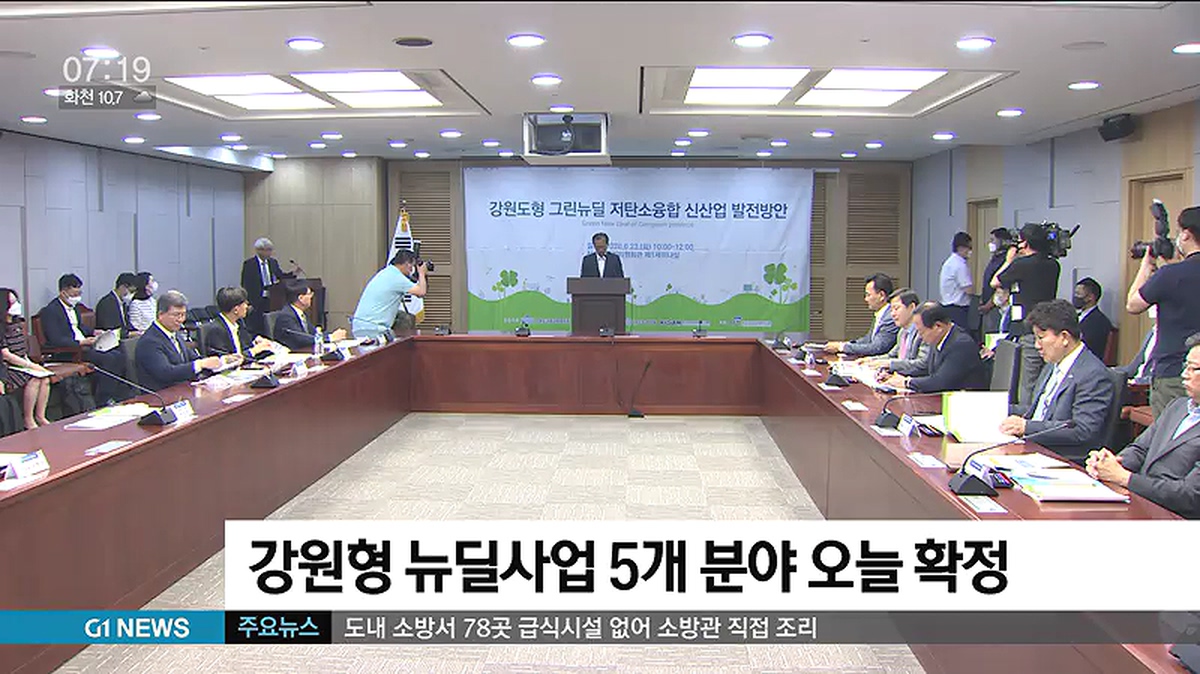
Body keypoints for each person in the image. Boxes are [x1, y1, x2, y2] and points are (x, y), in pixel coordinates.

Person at [1088, 332, 1200, 519]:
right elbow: (1140, 449)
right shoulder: (1177, 406)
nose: (1184, 375)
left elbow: (1190, 496)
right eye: (1185, 366)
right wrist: (1112, 463)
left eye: (1193, 368)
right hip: (1142, 500)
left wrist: (1125, 478)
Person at [997, 300, 1115, 464]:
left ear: (1064, 337)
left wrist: (1027, 427)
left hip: (1059, 457)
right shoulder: (1052, 365)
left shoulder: (1093, 374)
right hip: (1031, 447)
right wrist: (996, 409)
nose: (1037, 346)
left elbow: (1082, 430)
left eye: (1041, 338)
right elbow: (1037, 411)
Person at [1126, 205, 1200, 418]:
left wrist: (1146, 265)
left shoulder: (1169, 275)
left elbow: (1133, 304)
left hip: (1173, 373)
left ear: (1186, 234)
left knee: (1170, 432)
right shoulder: (1172, 273)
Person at [991, 222, 1062, 408]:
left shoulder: (1021, 265)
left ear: (1026, 243)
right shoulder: (1053, 265)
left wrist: (1009, 260)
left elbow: (995, 281)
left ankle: (1026, 415)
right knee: (1044, 377)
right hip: (1048, 326)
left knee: (1027, 381)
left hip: (1027, 328)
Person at [38, 273, 128, 404]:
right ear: (63, 292)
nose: (77, 297)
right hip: (70, 351)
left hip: (85, 346)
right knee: (109, 359)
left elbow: (79, 328)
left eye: (79, 293)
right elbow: (55, 339)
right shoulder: (51, 311)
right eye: (74, 294)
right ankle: (102, 399)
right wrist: (81, 342)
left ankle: (117, 394)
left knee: (119, 354)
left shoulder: (75, 308)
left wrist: (95, 332)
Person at [135, 291, 236, 392]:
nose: (180, 320)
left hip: (183, 389)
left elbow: (193, 358)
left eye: (183, 315)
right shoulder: (149, 341)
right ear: (161, 315)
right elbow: (166, 373)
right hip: (162, 394)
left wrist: (222, 361)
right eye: (176, 315)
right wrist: (200, 364)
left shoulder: (175, 334)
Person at [885, 303, 985, 394]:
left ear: (938, 326)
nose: (919, 336)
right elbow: (924, 368)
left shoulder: (961, 344)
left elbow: (940, 382)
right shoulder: (938, 338)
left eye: (921, 332)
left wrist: (907, 382)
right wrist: (892, 375)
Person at [1, 288, 52, 429]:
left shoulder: (17, 324)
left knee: (45, 378)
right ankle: (28, 419)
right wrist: (30, 366)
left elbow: (22, 350)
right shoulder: (1, 328)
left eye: (17, 301)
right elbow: (6, 355)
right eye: (12, 303)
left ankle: (40, 416)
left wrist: (30, 364)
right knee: (34, 379)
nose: (17, 305)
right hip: (8, 367)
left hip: (23, 363)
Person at [351, 250, 429, 340]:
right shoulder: (396, 277)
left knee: (405, 317)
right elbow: (421, 292)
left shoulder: (387, 272)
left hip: (363, 325)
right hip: (372, 328)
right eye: (412, 266)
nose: (412, 270)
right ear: (407, 264)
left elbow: (418, 293)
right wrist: (422, 273)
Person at [826, 273, 899, 357]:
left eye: (868, 295)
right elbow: (868, 339)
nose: (866, 299)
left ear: (881, 295)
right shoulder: (881, 313)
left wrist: (842, 347)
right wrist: (844, 345)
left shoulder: (890, 317)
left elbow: (876, 348)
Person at [863, 288, 930, 378]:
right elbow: (892, 356)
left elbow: (922, 364)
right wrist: (870, 360)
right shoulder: (902, 332)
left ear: (912, 307)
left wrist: (889, 364)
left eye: (896, 308)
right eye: (891, 310)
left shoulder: (924, 332)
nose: (893, 314)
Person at [241, 238, 298, 335]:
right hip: (256, 299)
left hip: (272, 298)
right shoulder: (249, 264)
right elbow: (245, 283)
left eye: (270, 250)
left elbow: (280, 276)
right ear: (259, 250)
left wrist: (293, 274)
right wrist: (248, 301)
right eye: (267, 250)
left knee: (269, 322)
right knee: (257, 324)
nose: (269, 253)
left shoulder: (272, 262)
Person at [273, 280, 346, 351]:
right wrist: (330, 338)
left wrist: (333, 335)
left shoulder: (301, 313)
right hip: (293, 354)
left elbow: (313, 333)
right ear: (301, 298)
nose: (311, 296)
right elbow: (301, 339)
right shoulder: (286, 316)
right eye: (309, 294)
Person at [204, 287, 274, 359]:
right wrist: (254, 351)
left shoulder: (239, 323)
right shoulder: (216, 330)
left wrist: (256, 341)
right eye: (244, 303)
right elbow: (227, 360)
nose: (247, 307)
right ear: (236, 310)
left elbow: (247, 345)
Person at [939, 232, 974, 329]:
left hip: (947, 306)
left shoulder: (949, 262)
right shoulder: (960, 265)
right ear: (961, 248)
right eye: (969, 248)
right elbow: (969, 289)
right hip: (958, 310)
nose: (970, 251)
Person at [1074, 277, 1113, 360]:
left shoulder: (1099, 322)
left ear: (1090, 297)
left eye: (1078, 294)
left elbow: (1087, 347)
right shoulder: (1075, 316)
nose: (1075, 297)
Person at [979, 228, 1014, 313]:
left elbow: (1002, 285)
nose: (990, 243)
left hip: (998, 306)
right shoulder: (995, 258)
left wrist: (989, 305)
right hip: (988, 304)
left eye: (993, 240)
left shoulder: (1006, 260)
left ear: (1002, 241)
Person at [94, 272, 139, 339]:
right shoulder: (106, 303)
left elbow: (127, 325)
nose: (132, 294)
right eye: (131, 291)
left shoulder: (123, 303)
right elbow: (110, 329)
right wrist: (128, 334)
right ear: (122, 287)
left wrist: (137, 332)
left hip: (123, 339)